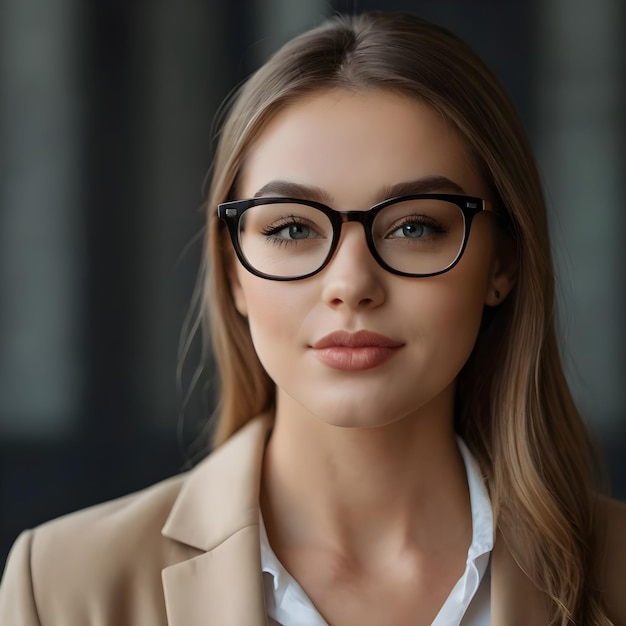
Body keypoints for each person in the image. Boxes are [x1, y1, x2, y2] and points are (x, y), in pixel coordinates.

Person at [1, 10, 624, 626]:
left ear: (502, 263)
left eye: (414, 226)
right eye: (292, 227)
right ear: (233, 270)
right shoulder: (62, 587)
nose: (351, 285)